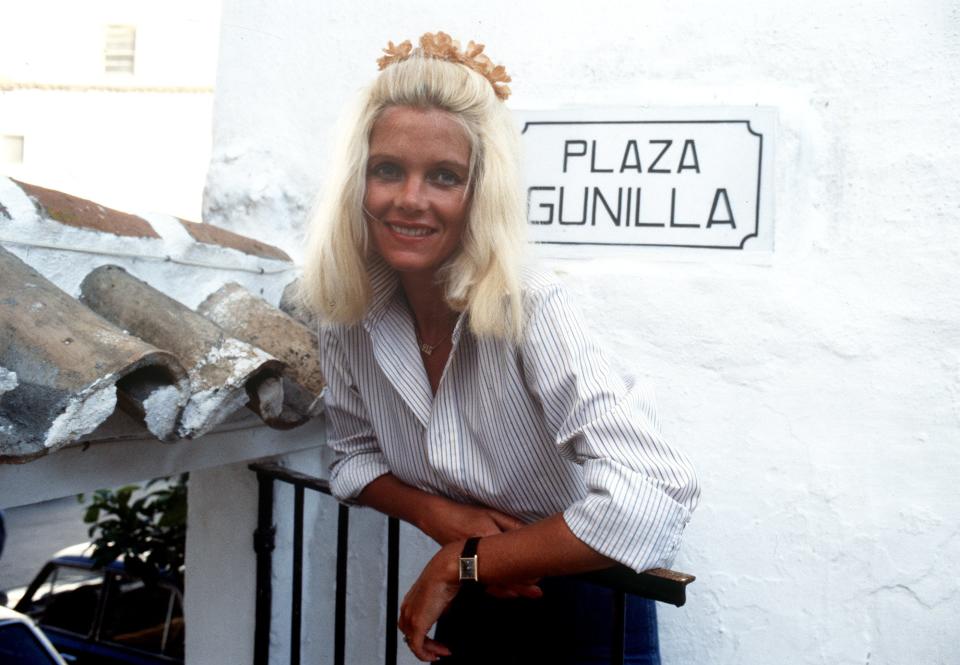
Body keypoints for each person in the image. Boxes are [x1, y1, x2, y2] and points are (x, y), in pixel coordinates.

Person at [301, 32, 700, 664]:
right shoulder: (350, 316)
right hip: (472, 603)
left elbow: (652, 492)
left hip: (586, 599)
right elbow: (352, 456)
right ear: (358, 182)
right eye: (387, 170)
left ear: (480, 192)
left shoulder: (532, 306)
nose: (410, 199)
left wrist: (461, 562)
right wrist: (441, 520)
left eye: (444, 176)